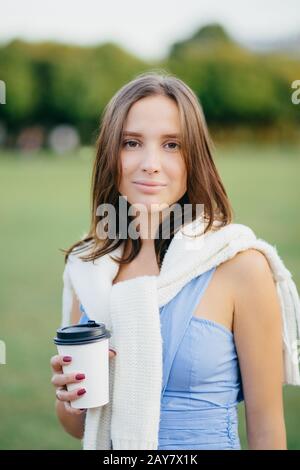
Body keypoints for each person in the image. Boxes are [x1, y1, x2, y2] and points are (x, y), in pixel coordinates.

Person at [50, 71, 288, 449]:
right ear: (111, 153)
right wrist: (71, 400)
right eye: (131, 142)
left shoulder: (240, 266)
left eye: (172, 145)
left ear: (195, 157)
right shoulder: (89, 265)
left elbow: (267, 431)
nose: (150, 163)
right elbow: (79, 427)